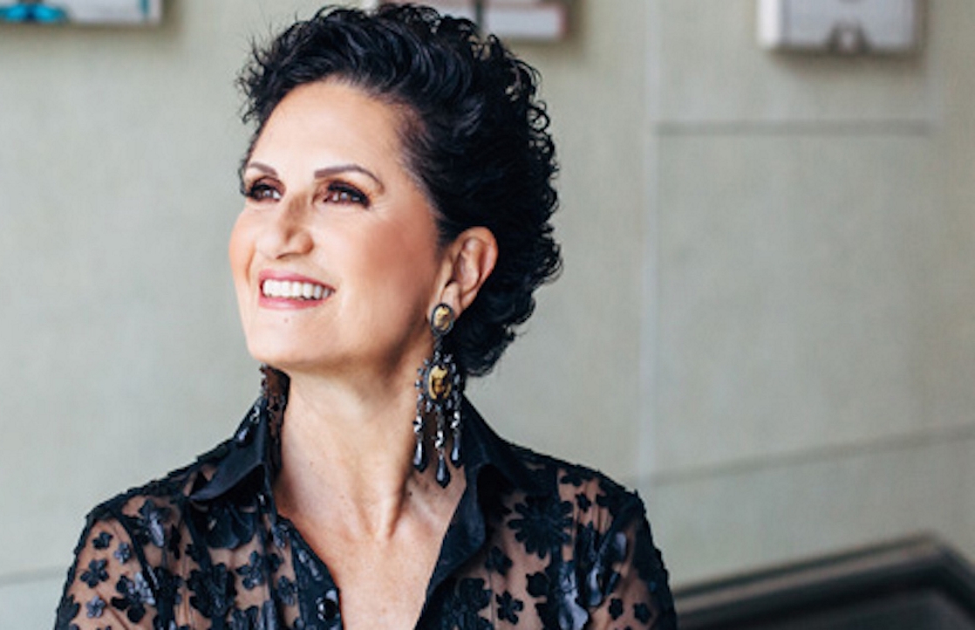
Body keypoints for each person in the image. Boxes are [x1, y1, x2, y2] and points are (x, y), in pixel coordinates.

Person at [54, 4, 675, 629]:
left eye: (341, 194)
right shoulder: (145, 561)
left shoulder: (589, 548)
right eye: (264, 190)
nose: (277, 235)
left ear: (460, 269)